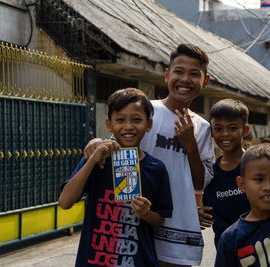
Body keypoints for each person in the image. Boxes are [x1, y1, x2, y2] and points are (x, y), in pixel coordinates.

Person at [83, 43, 214, 267]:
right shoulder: (145, 113)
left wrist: (190, 145)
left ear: (205, 80)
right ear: (167, 75)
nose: (185, 80)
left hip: (178, 235)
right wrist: (97, 141)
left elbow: (200, 182)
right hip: (133, 227)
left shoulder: (202, 128)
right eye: (179, 71)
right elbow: (116, 151)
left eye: (194, 74)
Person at [58, 88, 173, 267]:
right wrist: (91, 161)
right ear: (109, 124)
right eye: (120, 120)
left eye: (137, 120)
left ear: (148, 124)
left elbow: (161, 218)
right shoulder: (98, 160)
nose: (128, 127)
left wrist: (146, 213)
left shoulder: (156, 169)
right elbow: (65, 202)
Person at [198, 99, 251, 248]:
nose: (225, 134)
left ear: (245, 130)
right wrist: (200, 212)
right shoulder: (210, 173)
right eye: (218, 128)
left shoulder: (257, 164)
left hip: (260, 248)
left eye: (232, 128)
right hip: (226, 253)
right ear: (212, 133)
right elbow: (206, 207)